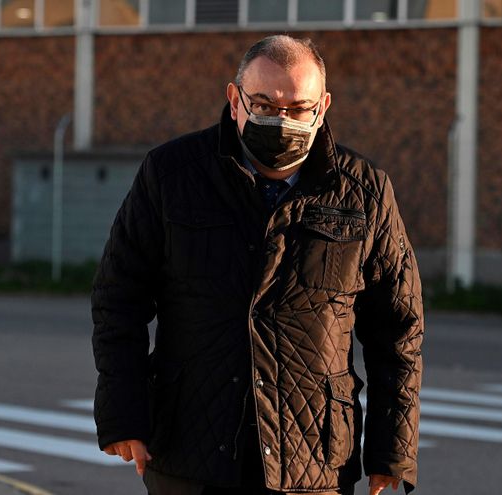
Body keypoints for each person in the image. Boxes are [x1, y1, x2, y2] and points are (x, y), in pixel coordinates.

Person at [91, 35, 424, 495]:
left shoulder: (364, 193)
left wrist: (392, 449)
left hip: (314, 460)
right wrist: (123, 414)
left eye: (297, 108)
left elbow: (399, 329)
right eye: (263, 104)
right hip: (192, 449)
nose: (280, 120)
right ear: (234, 100)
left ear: (322, 108)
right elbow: (118, 297)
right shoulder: (172, 175)